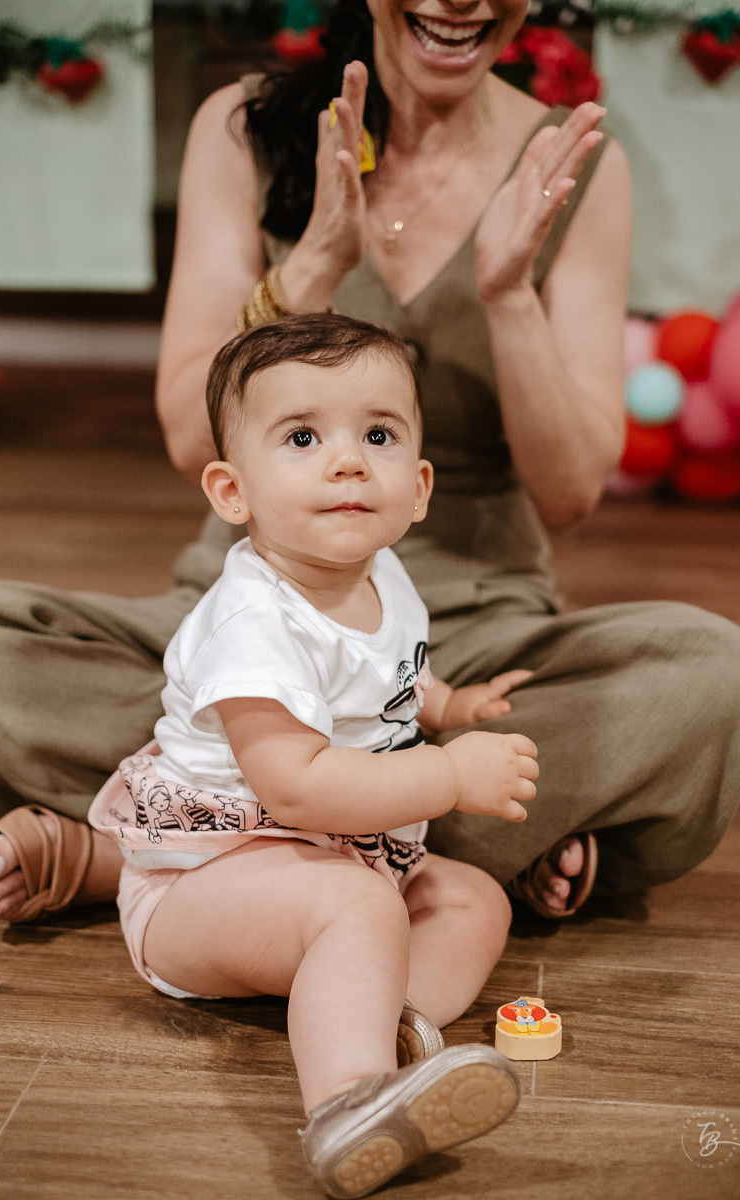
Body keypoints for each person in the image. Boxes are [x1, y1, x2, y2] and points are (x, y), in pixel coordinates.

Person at [0, 0, 740, 924]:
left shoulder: (573, 165)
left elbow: (570, 493)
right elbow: (193, 441)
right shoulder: (246, 129)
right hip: (253, 626)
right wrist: (312, 263)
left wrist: (509, 296)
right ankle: (457, 844)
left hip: (468, 646)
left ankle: (167, 841)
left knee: (712, 673)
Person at [88, 313, 530, 1197]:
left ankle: (383, 1028)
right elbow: (298, 789)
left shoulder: (381, 570)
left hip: (338, 862)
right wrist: (448, 773)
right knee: (356, 906)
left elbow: (395, 679)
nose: (348, 461)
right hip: (206, 881)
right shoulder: (255, 623)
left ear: (420, 485)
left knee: (474, 901)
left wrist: (450, 705)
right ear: (231, 491)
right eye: (302, 437)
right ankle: (348, 1104)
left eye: (378, 434)